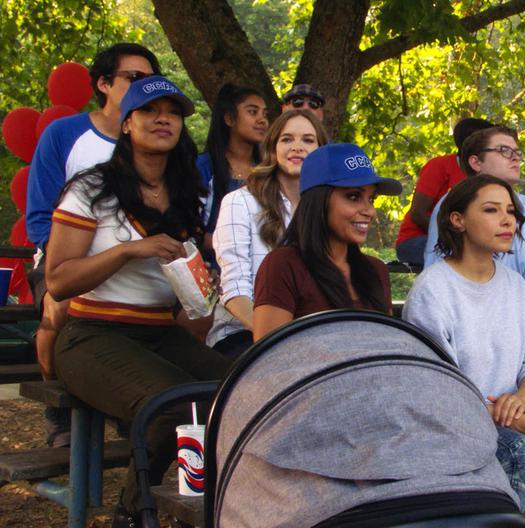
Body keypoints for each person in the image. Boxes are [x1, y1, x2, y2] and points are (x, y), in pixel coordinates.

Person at [43, 76, 230, 526]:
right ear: (127, 123)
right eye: (149, 111)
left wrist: (205, 287)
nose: (162, 119)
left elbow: (190, 303)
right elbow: (58, 281)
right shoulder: (91, 189)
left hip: (162, 332)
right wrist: (128, 249)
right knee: (173, 405)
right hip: (90, 336)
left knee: (243, 390)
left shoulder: (191, 194)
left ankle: (214, 506)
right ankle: (130, 513)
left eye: (173, 112)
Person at [403, 175, 525, 527]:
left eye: (511, 211)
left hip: (508, 415)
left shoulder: (514, 285)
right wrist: (516, 419)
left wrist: (524, 398)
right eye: (492, 210)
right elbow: (438, 390)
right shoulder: (433, 290)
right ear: (457, 220)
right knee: (520, 452)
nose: (508, 219)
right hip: (453, 423)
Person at [25, 42, 161, 448]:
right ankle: (60, 409)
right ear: (103, 83)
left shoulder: (151, 141)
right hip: (65, 260)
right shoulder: (65, 134)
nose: (143, 87)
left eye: (150, 81)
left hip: (134, 265)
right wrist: (78, 263)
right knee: (64, 303)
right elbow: (38, 217)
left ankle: (130, 400)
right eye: (133, 79)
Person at [208, 110, 328, 357]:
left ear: (321, 151)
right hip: (243, 334)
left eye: (307, 140)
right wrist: (280, 338)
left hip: (310, 337)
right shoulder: (239, 202)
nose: (297, 147)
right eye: (287, 139)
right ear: (272, 148)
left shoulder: (327, 211)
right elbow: (233, 290)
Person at [252, 143, 399, 340]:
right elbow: (268, 361)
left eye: (371, 199)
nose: (370, 211)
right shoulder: (282, 266)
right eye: (354, 196)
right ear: (319, 200)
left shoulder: (376, 271)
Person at [424, 126, 525, 322]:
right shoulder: (451, 204)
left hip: (519, 321)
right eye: (504, 151)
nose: (515, 157)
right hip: (464, 320)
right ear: (476, 162)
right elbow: (437, 266)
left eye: (517, 152)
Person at [395, 117, 493, 265]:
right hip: (415, 240)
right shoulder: (439, 166)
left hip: (462, 242)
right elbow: (417, 213)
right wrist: (456, 237)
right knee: (469, 256)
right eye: (489, 144)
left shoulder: (487, 175)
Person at [197, 84, 268, 234]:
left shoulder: (268, 171)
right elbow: (191, 232)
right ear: (229, 118)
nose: (262, 120)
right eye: (253, 112)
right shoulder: (203, 167)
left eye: (264, 114)